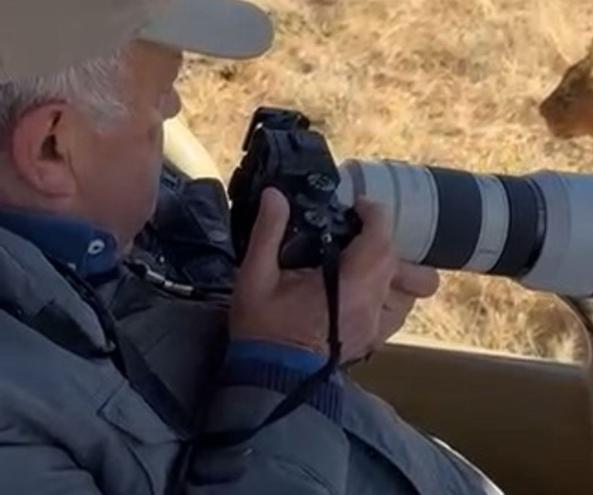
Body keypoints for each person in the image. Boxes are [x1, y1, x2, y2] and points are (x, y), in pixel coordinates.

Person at [0, 0, 503, 493]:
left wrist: (320, 319)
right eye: (161, 100)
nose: (175, 111)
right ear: (50, 146)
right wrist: (287, 364)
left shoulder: (90, 230)